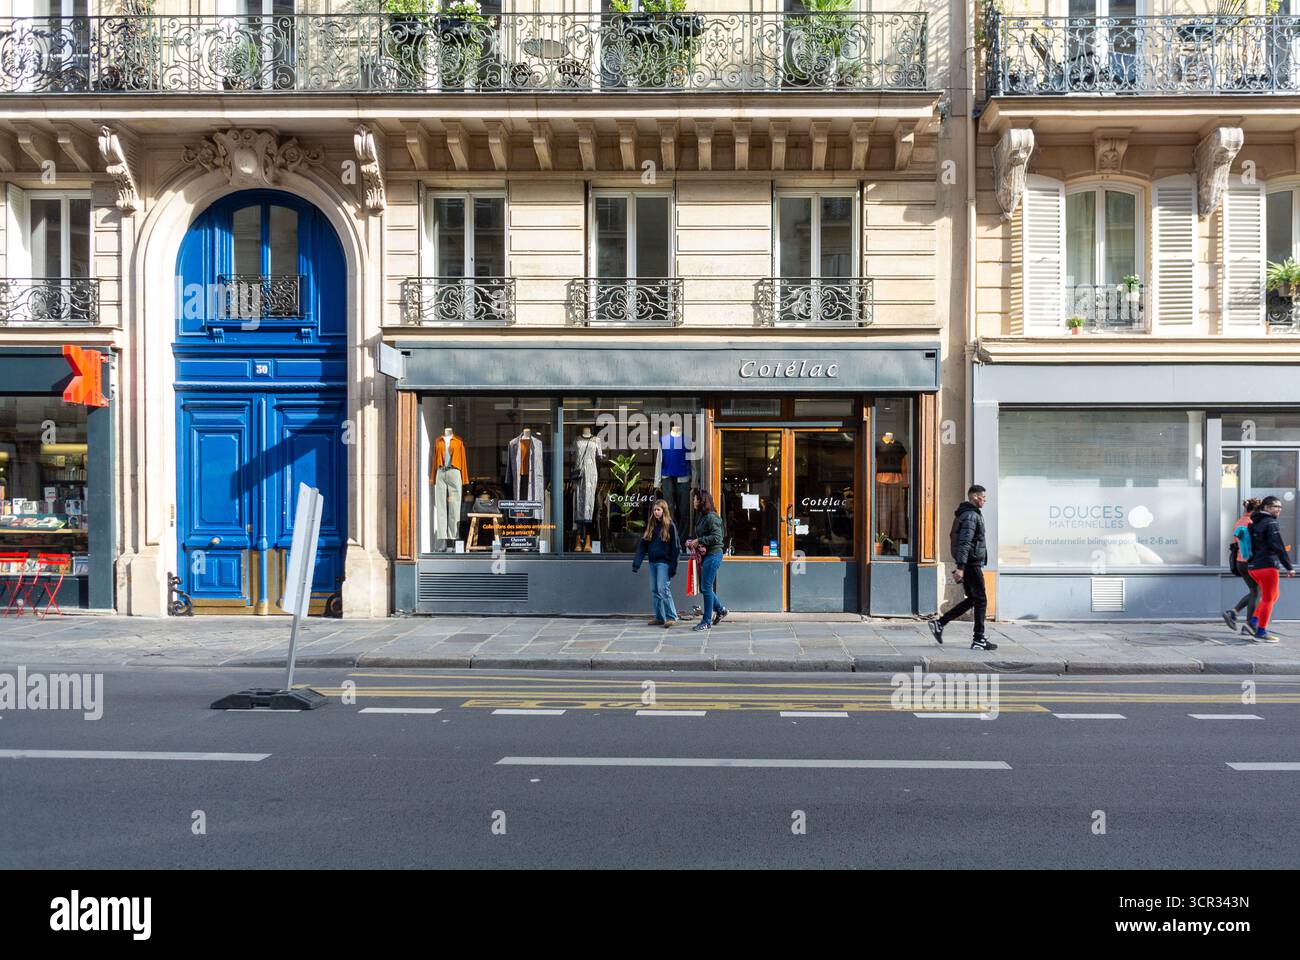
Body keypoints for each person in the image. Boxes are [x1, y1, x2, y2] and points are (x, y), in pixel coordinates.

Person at [929, 484, 998, 651]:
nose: (985, 500)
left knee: (974, 599)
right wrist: (961, 567)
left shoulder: (967, 514)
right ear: (974, 497)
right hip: (971, 564)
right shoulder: (970, 516)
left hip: (969, 563)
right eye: (983, 497)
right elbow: (965, 543)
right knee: (981, 599)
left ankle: (940, 623)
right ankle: (979, 639)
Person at [1246, 495, 1295, 642]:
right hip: (1267, 566)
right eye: (1275, 506)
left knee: (1274, 595)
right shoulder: (1271, 523)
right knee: (1268, 598)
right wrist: (1288, 566)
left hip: (1253, 566)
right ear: (1266, 507)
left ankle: (1253, 623)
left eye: (1280, 507)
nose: (1279, 509)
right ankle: (1261, 631)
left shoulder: (1254, 522)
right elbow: (1278, 546)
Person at [632, 499, 680, 627]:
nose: (656, 512)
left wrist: (673, 567)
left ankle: (672, 616)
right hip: (653, 562)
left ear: (664, 511)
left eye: (658, 510)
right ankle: (660, 617)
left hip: (664, 563)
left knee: (662, 588)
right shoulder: (651, 526)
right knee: (654, 590)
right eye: (654, 510)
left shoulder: (670, 526)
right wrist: (636, 563)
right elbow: (643, 545)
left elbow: (676, 548)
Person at [685, 489, 727, 631]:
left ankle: (706, 621)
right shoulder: (702, 517)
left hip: (714, 555)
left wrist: (699, 540)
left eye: (695, 499)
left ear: (702, 501)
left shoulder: (712, 517)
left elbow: (718, 537)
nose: (693, 501)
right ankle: (720, 610)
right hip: (707, 555)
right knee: (705, 588)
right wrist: (694, 541)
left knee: (706, 587)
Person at [1223, 497, 1262, 633]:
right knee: (1256, 592)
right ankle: (1248, 626)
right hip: (1249, 562)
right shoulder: (1251, 522)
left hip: (1241, 561)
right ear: (1258, 509)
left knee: (1255, 591)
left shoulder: (1240, 521)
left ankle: (1233, 613)